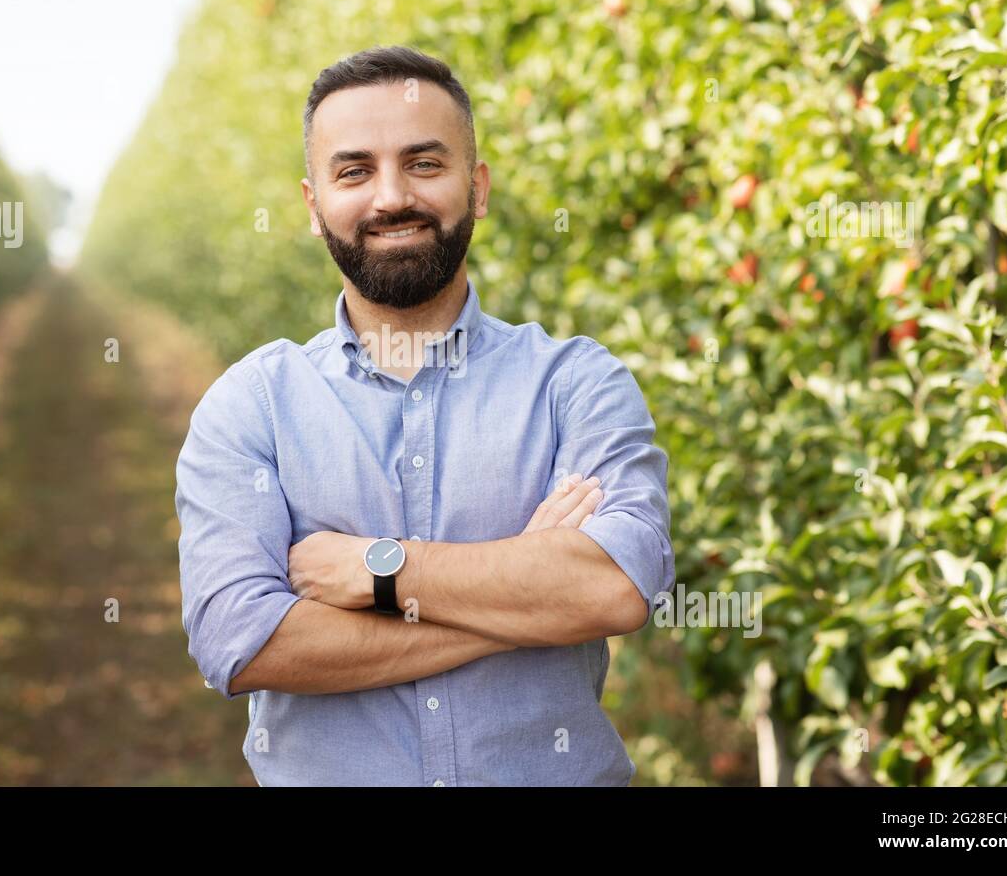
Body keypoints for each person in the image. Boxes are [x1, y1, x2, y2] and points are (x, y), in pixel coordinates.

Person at [175, 45, 674, 786]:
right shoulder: (253, 405)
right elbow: (242, 645)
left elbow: (614, 589)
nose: (390, 197)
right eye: (354, 171)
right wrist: (519, 600)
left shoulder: (577, 382)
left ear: (477, 190)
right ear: (314, 206)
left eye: (424, 164)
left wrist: (376, 571)